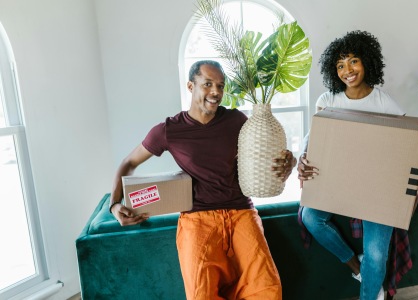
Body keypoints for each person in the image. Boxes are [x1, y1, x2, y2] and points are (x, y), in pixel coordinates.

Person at [109, 60, 296, 300]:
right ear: (190, 85)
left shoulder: (237, 121)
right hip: (198, 218)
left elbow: (265, 158)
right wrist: (114, 205)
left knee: (267, 289)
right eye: (208, 84)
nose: (216, 92)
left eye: (220, 85)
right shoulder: (169, 130)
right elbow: (128, 163)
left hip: (241, 212)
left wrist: (287, 163)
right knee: (201, 294)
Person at [297, 31, 406, 300]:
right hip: (338, 183)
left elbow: (408, 144)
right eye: (340, 65)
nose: (348, 70)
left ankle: (369, 294)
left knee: (378, 255)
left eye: (354, 61)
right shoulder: (328, 101)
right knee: (310, 216)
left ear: (367, 61)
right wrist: (303, 158)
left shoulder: (385, 102)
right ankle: (355, 266)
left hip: (377, 190)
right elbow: (313, 141)